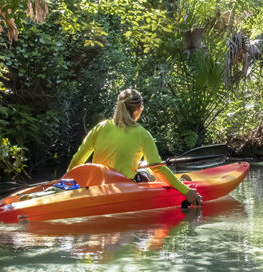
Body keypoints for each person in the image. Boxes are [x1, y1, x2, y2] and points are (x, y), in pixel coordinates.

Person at [66, 88, 202, 206]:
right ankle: (182, 182)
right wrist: (186, 191)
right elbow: (158, 168)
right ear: (139, 110)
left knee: (143, 165)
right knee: (148, 170)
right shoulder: (142, 134)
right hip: (126, 187)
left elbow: (77, 161)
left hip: (98, 185)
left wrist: (66, 185)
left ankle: (177, 180)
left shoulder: (100, 127)